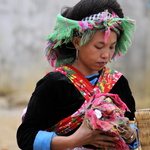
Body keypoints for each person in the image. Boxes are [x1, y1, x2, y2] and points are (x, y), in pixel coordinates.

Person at [17, 0, 140, 149]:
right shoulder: (54, 83)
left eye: (112, 47)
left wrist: (130, 134)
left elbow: (135, 131)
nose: (106, 55)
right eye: (99, 46)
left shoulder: (118, 82)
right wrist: (75, 140)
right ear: (77, 42)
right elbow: (26, 137)